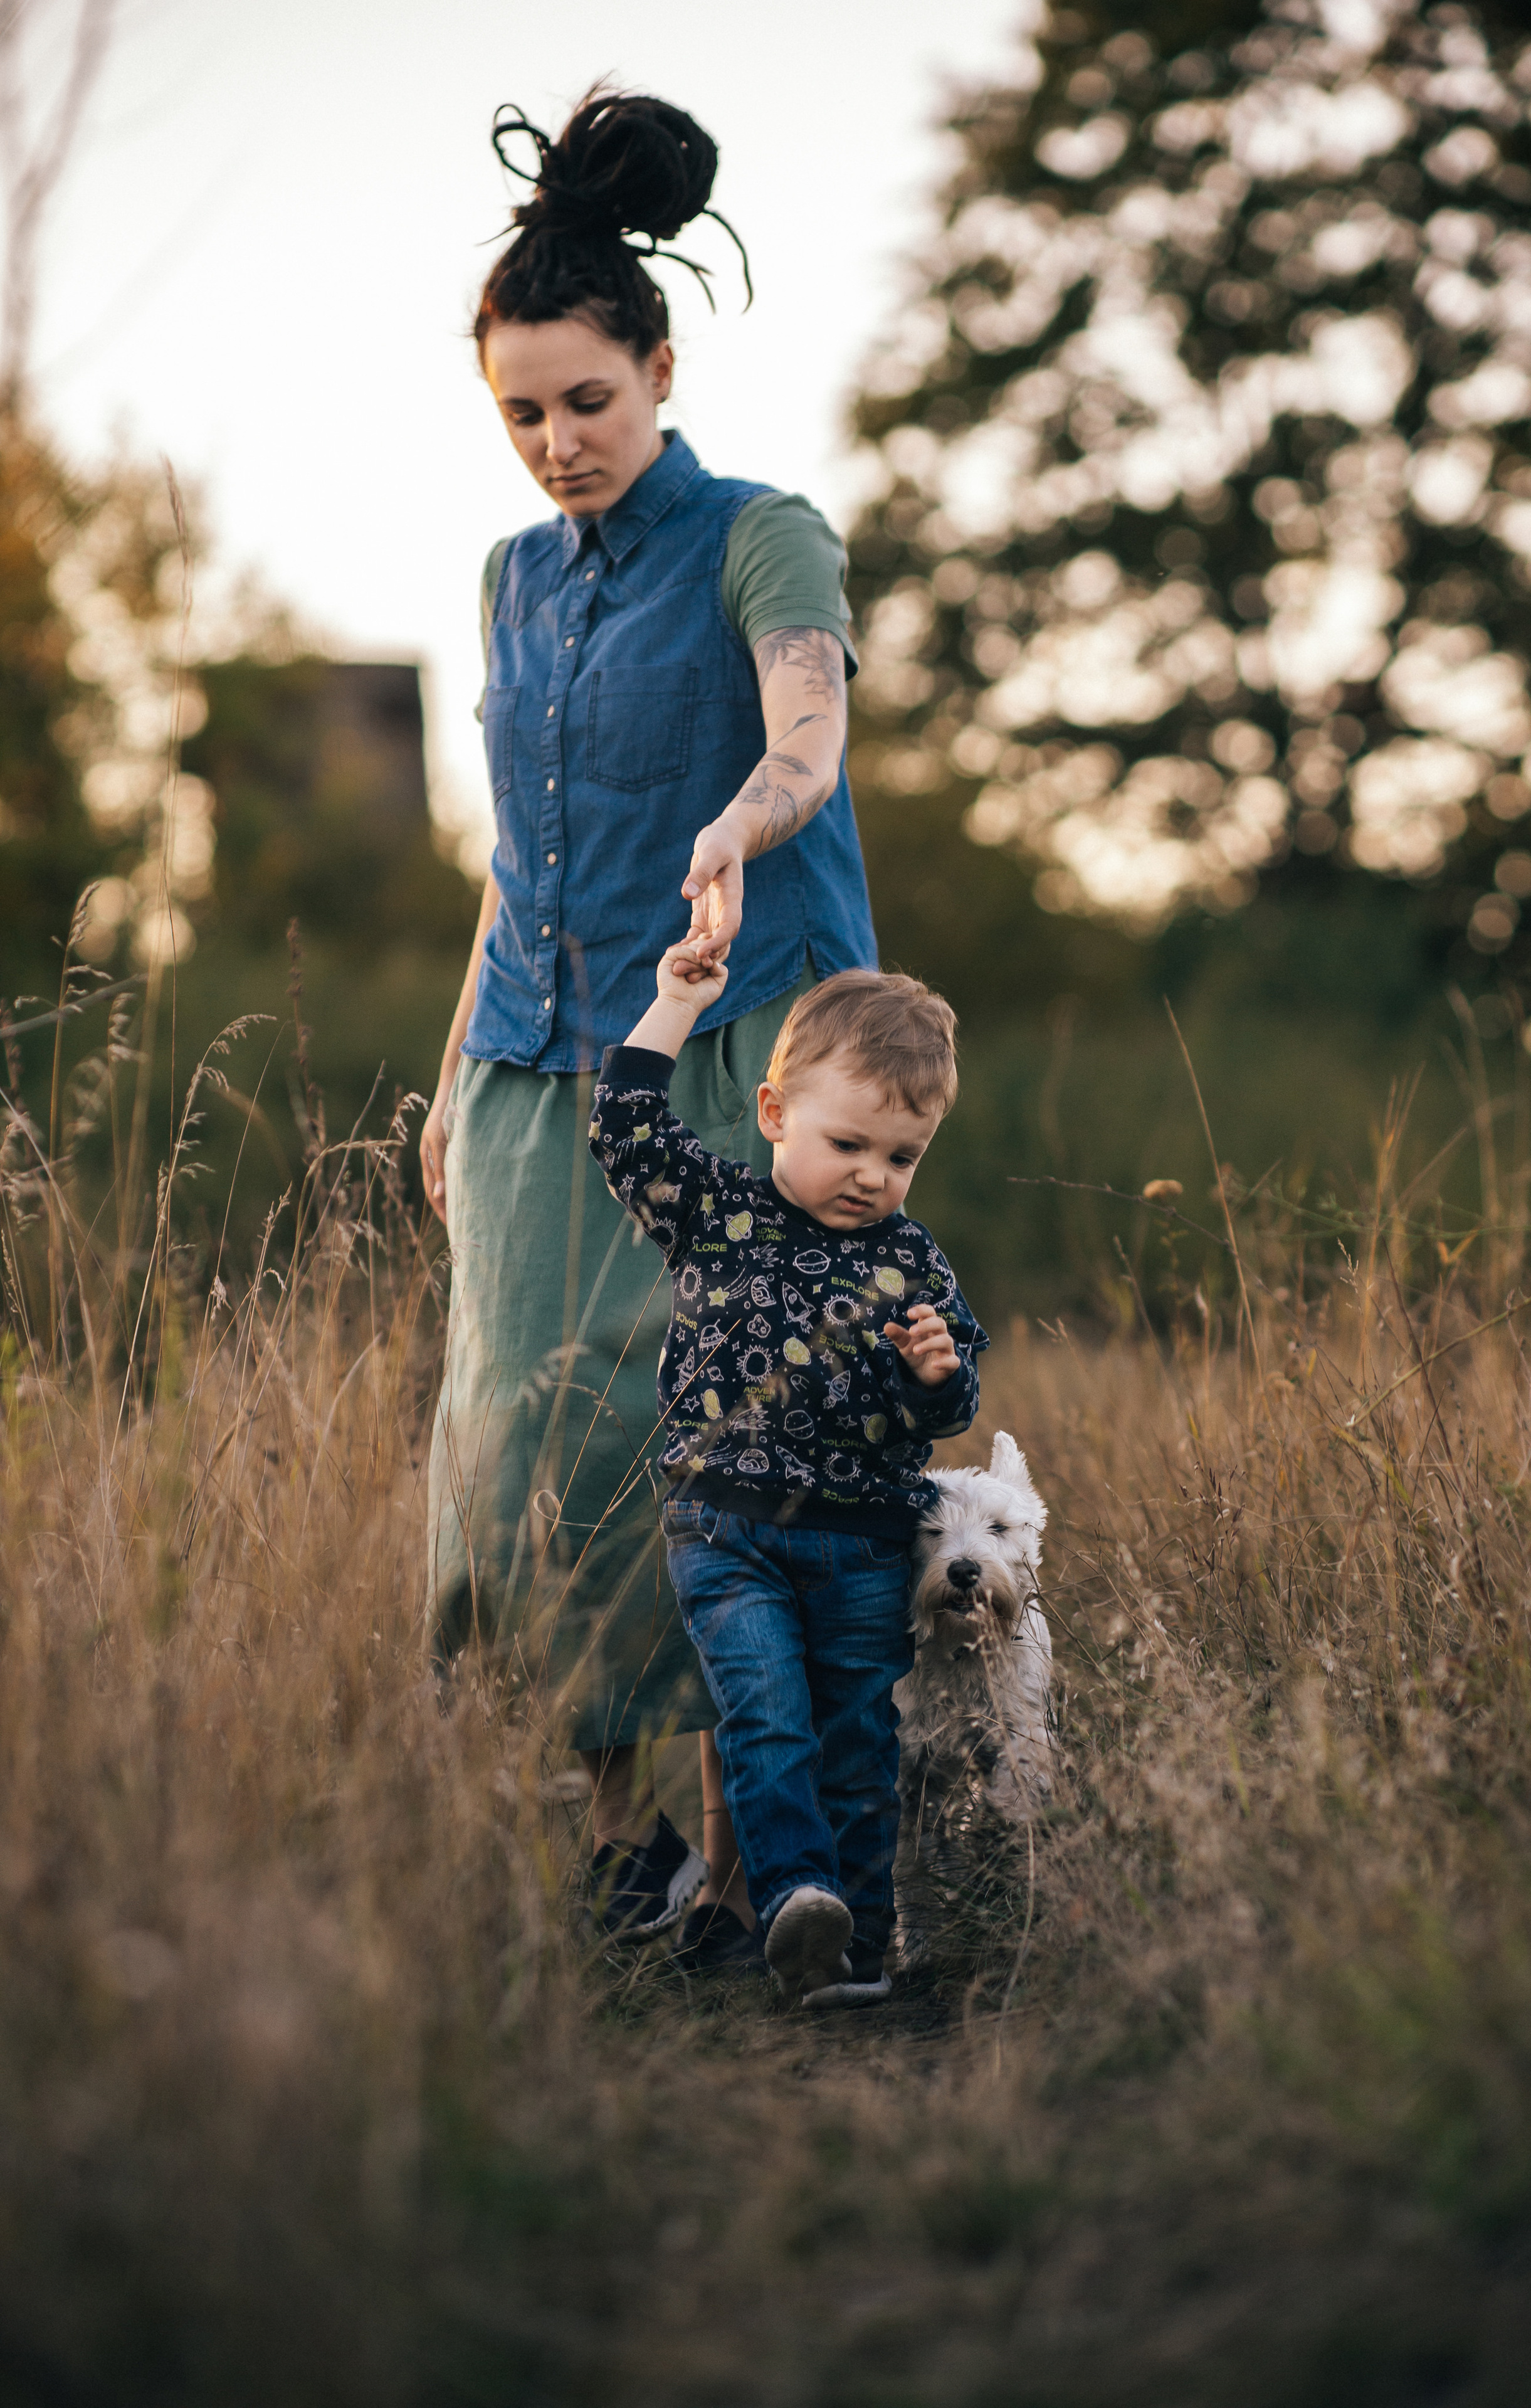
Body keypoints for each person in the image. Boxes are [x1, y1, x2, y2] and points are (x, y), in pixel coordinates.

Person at [420, 88, 878, 1956]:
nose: (555, 444)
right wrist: (453, 1076)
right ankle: (630, 1860)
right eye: (520, 412)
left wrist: (743, 821)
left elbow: (807, 736)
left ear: (660, 367)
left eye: (586, 401)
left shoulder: (763, 535)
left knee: (711, 1438)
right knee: (525, 1453)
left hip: (720, 1056)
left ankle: (757, 1841)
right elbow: (509, 860)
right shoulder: (511, 583)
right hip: (538, 1073)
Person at [589, 959, 987, 2005]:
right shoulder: (718, 1212)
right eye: (847, 1144)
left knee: (858, 1736)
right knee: (767, 1717)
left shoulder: (914, 1263)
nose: (872, 1175)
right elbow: (625, 1123)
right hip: (728, 1533)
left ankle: (855, 1953)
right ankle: (798, 1902)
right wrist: (678, 1002)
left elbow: (949, 1411)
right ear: (773, 1113)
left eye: (902, 1157)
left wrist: (940, 1376)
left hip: (862, 1545)